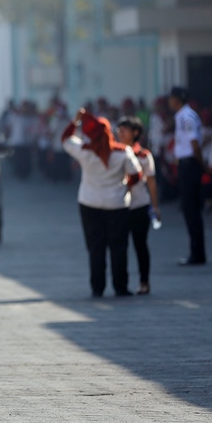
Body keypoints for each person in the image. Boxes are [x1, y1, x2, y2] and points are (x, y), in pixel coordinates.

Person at [61, 109, 142, 298]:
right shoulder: (123, 152)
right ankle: (120, 287)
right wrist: (124, 187)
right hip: (117, 204)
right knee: (119, 247)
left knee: (95, 248)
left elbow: (65, 139)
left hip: (89, 203)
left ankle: (97, 288)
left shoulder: (84, 151)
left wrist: (76, 121)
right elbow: (136, 175)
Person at [117, 117, 160, 295]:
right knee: (120, 247)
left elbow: (151, 182)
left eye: (124, 130)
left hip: (140, 205)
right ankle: (122, 283)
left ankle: (144, 281)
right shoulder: (115, 153)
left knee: (140, 245)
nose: (120, 134)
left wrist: (155, 207)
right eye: (119, 130)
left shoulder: (144, 155)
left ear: (135, 133)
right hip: (119, 205)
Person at [169, 87, 206, 265]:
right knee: (188, 209)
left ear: (177, 100)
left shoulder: (187, 116)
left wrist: (201, 164)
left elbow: (194, 144)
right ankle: (196, 251)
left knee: (191, 210)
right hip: (185, 165)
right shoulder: (181, 116)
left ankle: (197, 253)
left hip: (190, 164)